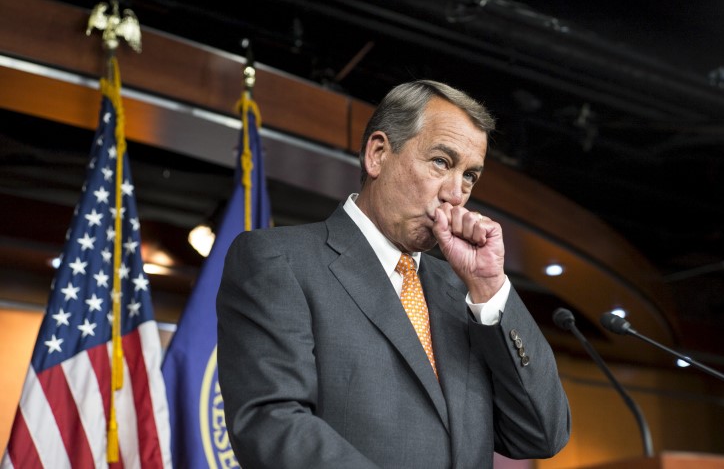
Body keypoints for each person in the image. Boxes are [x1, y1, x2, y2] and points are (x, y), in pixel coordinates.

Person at [217, 79, 571, 468]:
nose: (456, 192)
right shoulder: (280, 260)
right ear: (378, 154)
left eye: (470, 176)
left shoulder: (467, 295)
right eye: (441, 162)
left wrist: (490, 289)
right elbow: (272, 423)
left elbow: (542, 433)